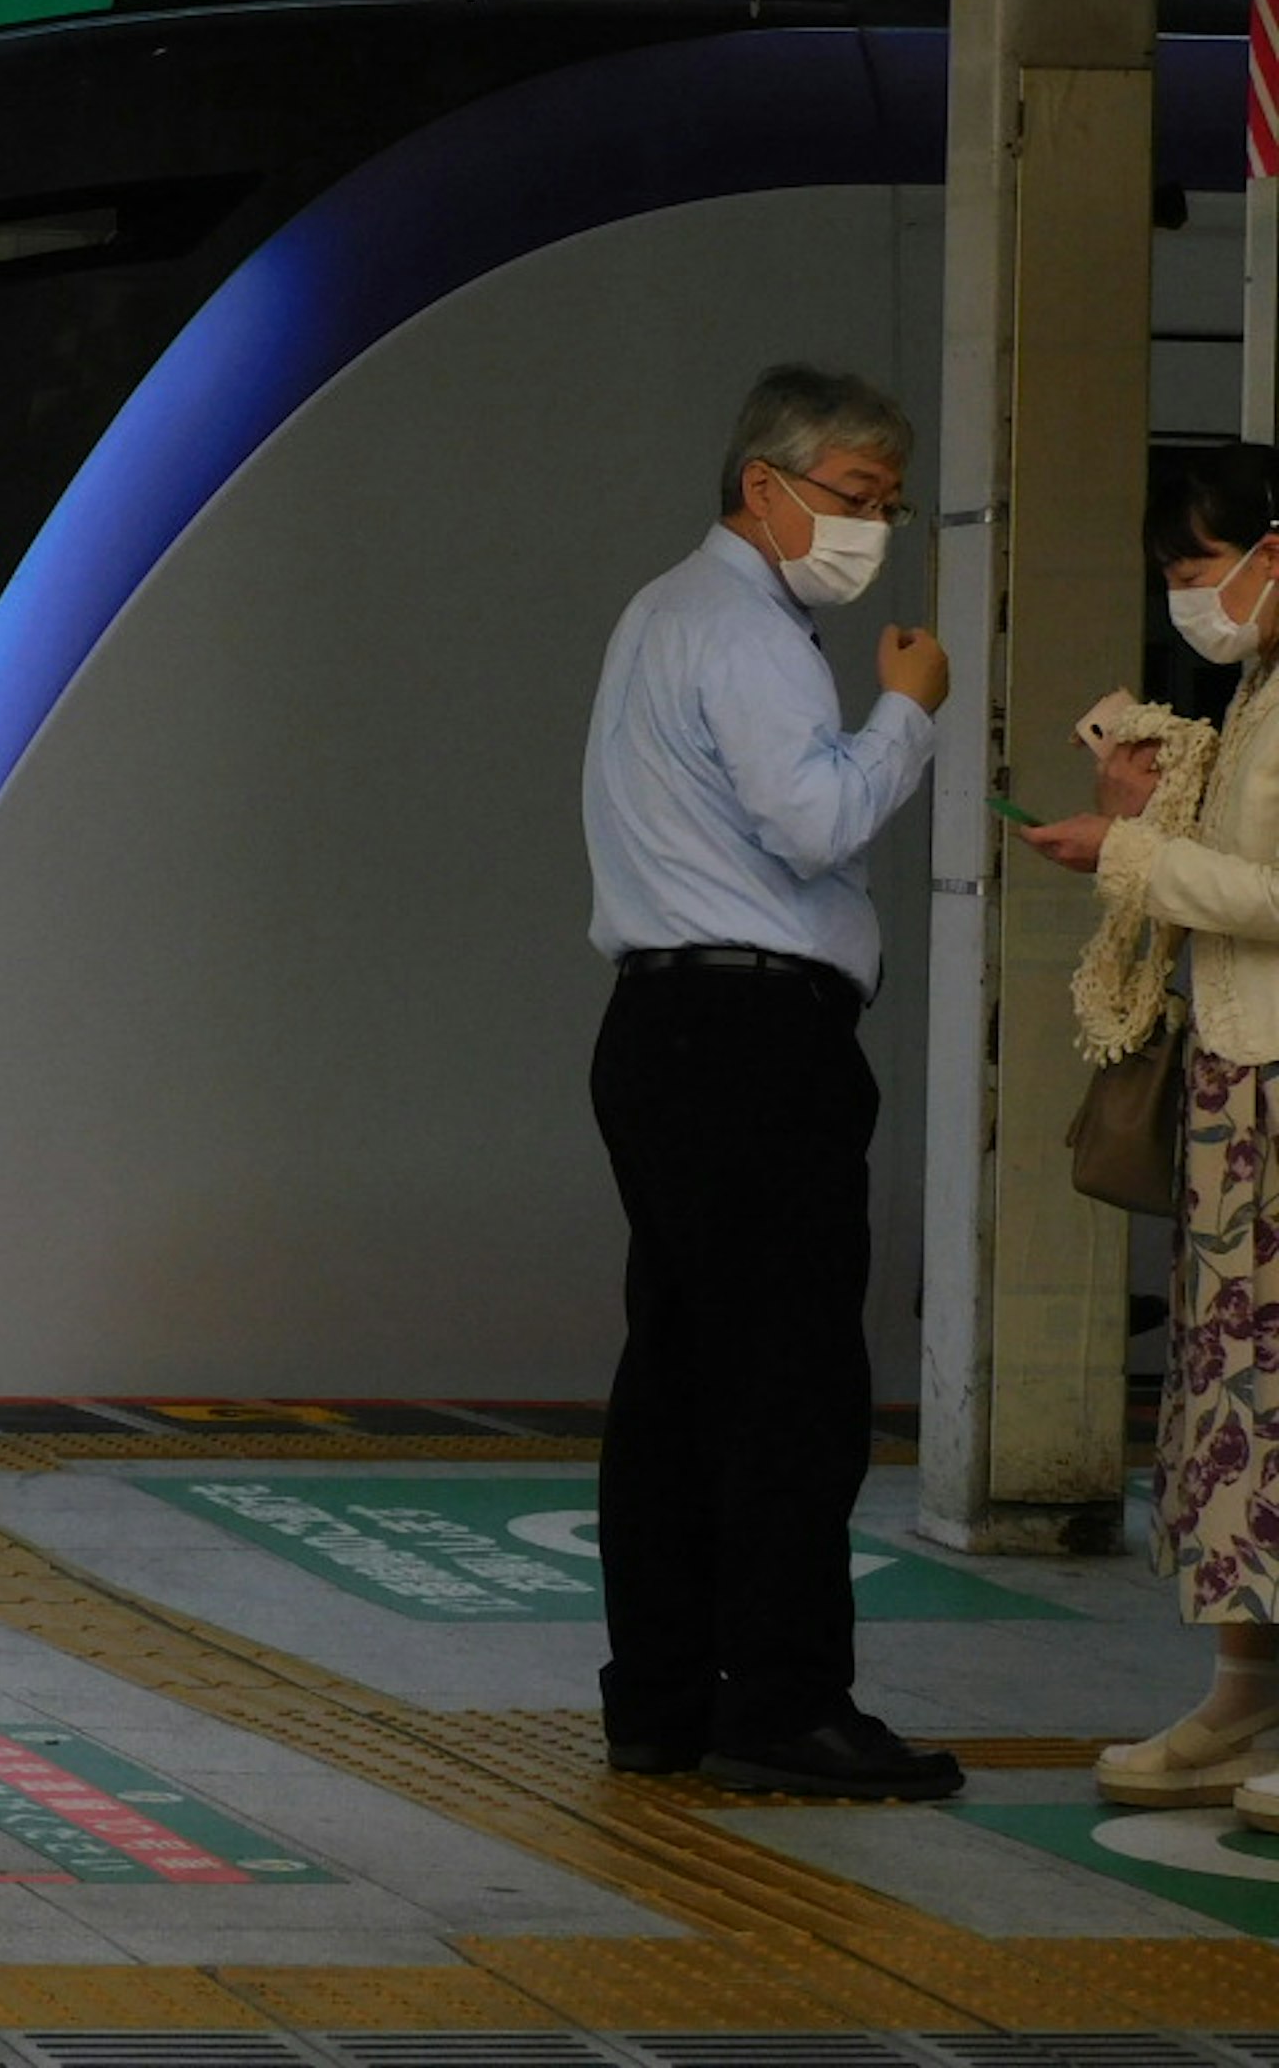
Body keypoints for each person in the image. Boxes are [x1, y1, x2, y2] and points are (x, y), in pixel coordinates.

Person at [579, 364, 960, 1799]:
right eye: (858, 499)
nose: (876, 529)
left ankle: (661, 1700)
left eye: (888, 503)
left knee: (677, 1377)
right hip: (752, 1040)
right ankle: (786, 1704)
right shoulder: (747, 631)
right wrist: (908, 712)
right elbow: (813, 822)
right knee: (792, 1380)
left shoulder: (660, 615)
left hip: (663, 1032)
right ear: (766, 487)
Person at [1016, 444, 1279, 1814]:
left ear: (1270, 553)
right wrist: (1142, 795)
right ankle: (1243, 1696)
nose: (1193, 601)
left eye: (1196, 572)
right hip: (1244, 1089)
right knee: (1236, 1397)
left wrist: (1118, 852)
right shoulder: (1255, 683)